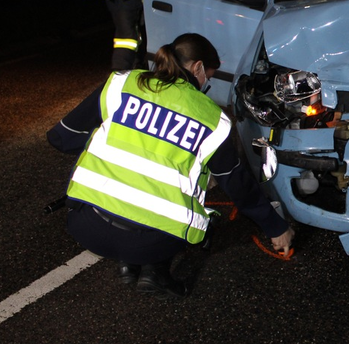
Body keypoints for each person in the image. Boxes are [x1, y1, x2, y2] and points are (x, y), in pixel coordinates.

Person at [47, 33, 295, 299]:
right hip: (151, 243)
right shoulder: (212, 118)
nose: (206, 83)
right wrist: (276, 227)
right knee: (195, 198)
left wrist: (110, 138)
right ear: (198, 68)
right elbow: (238, 185)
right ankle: (156, 273)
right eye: (208, 77)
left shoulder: (122, 83)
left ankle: (128, 265)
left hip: (86, 226)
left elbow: (61, 138)